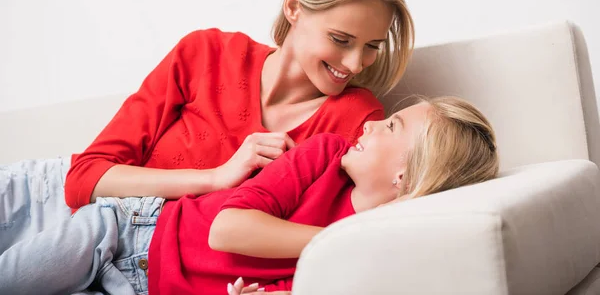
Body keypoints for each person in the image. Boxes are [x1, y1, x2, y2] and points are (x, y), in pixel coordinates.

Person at [0, 0, 415, 254]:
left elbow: (338, 237)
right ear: (294, 7)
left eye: (372, 47)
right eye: (341, 39)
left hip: (126, 265)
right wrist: (216, 178)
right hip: (37, 203)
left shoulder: (358, 121)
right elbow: (84, 177)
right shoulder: (206, 54)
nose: (354, 64)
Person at [0, 96, 500, 295]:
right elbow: (227, 228)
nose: (371, 122)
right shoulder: (325, 154)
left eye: (391, 126)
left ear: (406, 178)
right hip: (128, 232)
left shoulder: (360, 271)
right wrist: (343, 239)